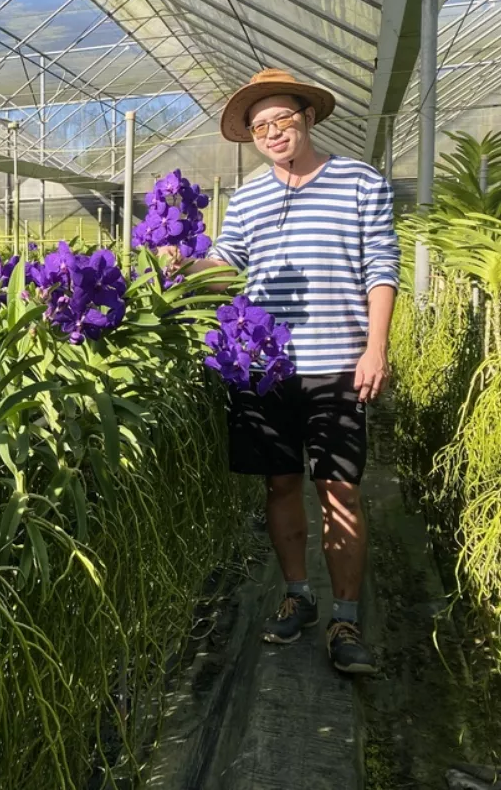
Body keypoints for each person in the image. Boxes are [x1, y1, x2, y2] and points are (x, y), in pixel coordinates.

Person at [167, 68, 399, 675]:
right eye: (259, 125)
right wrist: (180, 265)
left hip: (337, 364)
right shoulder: (248, 198)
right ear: (250, 136)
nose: (272, 131)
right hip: (264, 369)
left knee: (341, 490)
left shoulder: (358, 182)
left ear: (308, 118)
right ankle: (298, 596)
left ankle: (346, 616)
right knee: (279, 484)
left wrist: (375, 348)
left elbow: (382, 266)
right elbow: (225, 264)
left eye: (282, 119)